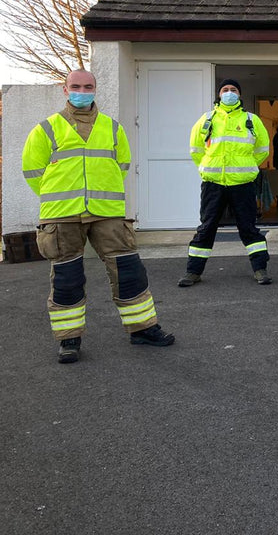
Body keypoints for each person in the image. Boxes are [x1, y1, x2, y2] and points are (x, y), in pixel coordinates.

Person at [21, 69, 175, 363]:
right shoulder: (46, 129)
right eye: (76, 86)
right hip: (62, 214)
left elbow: (122, 166)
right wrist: (63, 194)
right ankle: (69, 339)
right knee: (67, 277)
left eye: (88, 86)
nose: (82, 90)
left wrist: (99, 194)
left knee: (129, 271)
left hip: (108, 212)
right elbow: (33, 173)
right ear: (65, 90)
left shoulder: (113, 128)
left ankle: (142, 329)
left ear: (95, 89)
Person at [180, 78, 272, 287]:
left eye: (233, 90)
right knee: (206, 227)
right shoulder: (207, 119)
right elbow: (196, 150)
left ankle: (260, 269)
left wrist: (246, 168)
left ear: (240, 95)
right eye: (225, 89)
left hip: (242, 184)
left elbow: (262, 150)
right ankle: (192, 272)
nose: (229, 92)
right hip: (213, 184)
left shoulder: (251, 120)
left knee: (248, 227)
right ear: (219, 94)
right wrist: (207, 168)